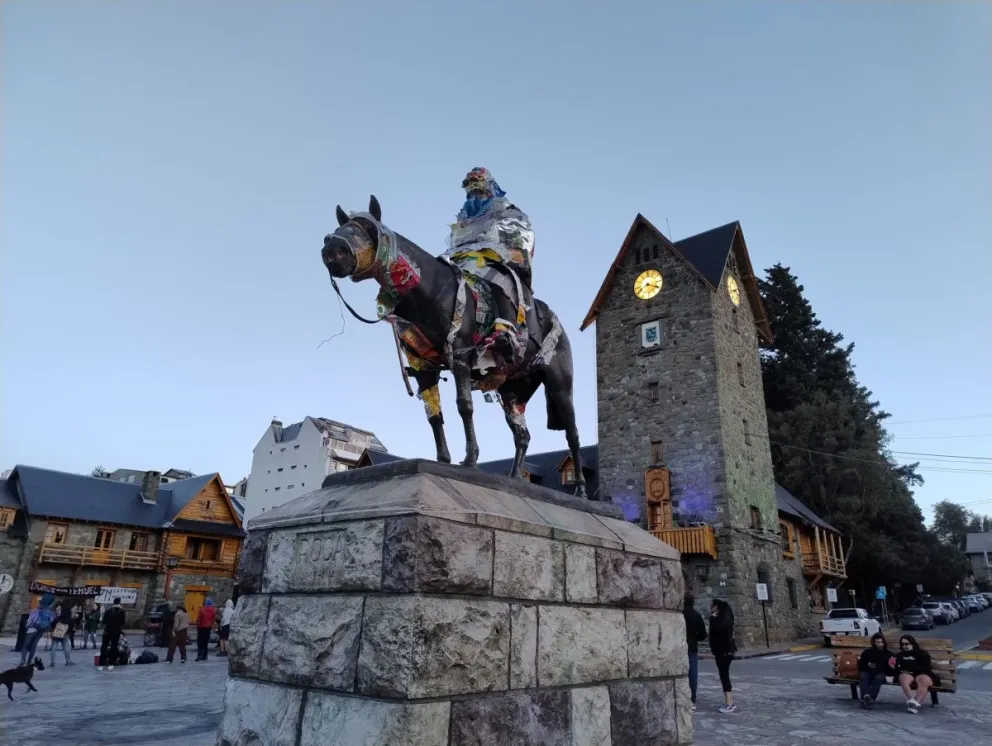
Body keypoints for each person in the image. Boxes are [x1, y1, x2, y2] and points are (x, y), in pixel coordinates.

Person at [443, 167, 536, 365]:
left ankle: (507, 328)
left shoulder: (505, 209)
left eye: (477, 184)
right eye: (470, 186)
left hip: (493, 258)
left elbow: (521, 233)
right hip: (463, 260)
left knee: (498, 279)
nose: (474, 191)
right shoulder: (464, 215)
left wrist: (499, 240)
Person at [895, 635, 938, 714]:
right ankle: (912, 699)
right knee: (903, 677)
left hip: (923, 674)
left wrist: (912, 653)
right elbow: (898, 668)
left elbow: (926, 666)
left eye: (906, 644)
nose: (904, 646)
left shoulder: (921, 653)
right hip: (907, 674)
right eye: (902, 644)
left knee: (923, 679)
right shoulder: (900, 655)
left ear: (912, 643)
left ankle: (915, 704)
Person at [709, 599, 737, 714]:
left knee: (724, 676)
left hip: (723, 652)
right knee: (724, 676)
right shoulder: (725, 618)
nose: (711, 608)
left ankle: (730, 703)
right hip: (724, 651)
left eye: (713, 606)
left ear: (717, 607)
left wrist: (712, 618)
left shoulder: (721, 621)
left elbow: (717, 632)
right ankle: (729, 701)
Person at [683, 593, 708, 711]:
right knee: (692, 674)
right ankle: (692, 698)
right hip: (692, 647)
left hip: (679, 647)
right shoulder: (696, 615)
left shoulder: (679, 614)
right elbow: (703, 634)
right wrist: (696, 637)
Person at [858, 633, 894, 708]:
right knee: (863, 676)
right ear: (874, 643)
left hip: (881, 673)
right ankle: (866, 696)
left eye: (881, 642)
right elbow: (861, 666)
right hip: (868, 672)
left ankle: (870, 698)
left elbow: (889, 669)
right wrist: (870, 666)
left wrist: (877, 666)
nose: (880, 644)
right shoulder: (867, 652)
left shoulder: (889, 654)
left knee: (878, 678)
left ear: (884, 642)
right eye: (878, 642)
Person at [20, 595, 56, 666]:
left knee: (25, 646)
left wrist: (27, 626)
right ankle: (29, 661)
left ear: (40, 604)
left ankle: (23, 660)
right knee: (34, 646)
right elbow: (52, 620)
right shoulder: (49, 612)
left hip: (31, 630)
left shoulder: (34, 611)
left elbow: (29, 622)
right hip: (40, 630)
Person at [98, 597, 126, 671]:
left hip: (107, 631)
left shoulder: (108, 611)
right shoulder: (122, 611)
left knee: (104, 647)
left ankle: (101, 664)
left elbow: (104, 622)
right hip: (116, 632)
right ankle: (111, 663)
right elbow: (123, 623)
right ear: (119, 602)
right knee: (114, 647)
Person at [49, 601, 75, 667]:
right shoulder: (69, 619)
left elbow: (52, 625)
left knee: (53, 648)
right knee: (66, 648)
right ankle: (68, 661)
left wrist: (52, 631)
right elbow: (71, 628)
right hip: (64, 635)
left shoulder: (58, 618)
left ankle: (52, 662)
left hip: (56, 634)